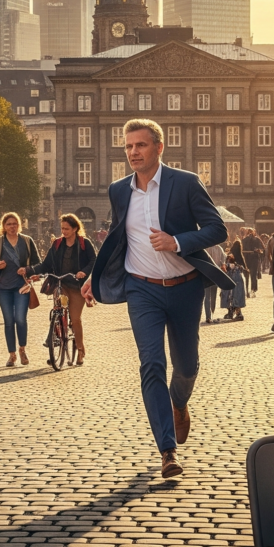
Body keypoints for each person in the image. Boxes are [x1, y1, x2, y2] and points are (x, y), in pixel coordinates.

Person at [84, 119, 228, 479]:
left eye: (141, 145)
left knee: (187, 367)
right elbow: (118, 237)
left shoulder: (186, 183)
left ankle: (179, 402)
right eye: (128, 146)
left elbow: (217, 228)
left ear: (158, 148)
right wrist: (94, 274)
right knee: (151, 365)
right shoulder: (119, 190)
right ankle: (167, 450)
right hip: (141, 288)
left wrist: (177, 242)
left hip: (185, 286)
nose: (133, 152)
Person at [28, 213, 96, 366]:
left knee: (76, 318)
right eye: (62, 228)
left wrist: (84, 272)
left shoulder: (84, 243)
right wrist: (30, 271)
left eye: (67, 228)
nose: (64, 231)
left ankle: (80, 350)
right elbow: (45, 264)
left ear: (75, 228)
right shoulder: (57, 244)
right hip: (61, 283)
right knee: (58, 310)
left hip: (77, 286)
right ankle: (55, 339)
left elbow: (93, 260)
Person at [0, 212, 41, 367]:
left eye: (15, 224)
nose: (12, 227)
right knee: (9, 321)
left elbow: (38, 263)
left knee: (20, 319)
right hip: (3, 288)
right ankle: (12, 354)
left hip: (21, 287)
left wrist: (27, 269)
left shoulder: (27, 241)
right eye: (9, 224)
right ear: (4, 226)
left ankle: (22, 349)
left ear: (19, 225)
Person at [203, 242, 226, 323]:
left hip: (206, 274)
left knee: (207, 296)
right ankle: (212, 312)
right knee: (213, 295)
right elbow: (223, 261)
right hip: (216, 274)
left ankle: (208, 316)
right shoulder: (219, 249)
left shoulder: (205, 248)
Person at [222, 253, 246, 321]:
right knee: (235, 298)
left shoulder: (229, 266)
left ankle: (236, 313)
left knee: (229, 298)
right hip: (238, 284)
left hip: (231, 284)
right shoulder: (238, 267)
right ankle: (233, 312)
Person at [242, 227, 263, 297]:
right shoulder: (257, 239)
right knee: (253, 275)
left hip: (247, 259)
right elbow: (262, 249)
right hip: (254, 259)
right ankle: (253, 290)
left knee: (247, 275)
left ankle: (247, 290)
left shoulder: (244, 240)